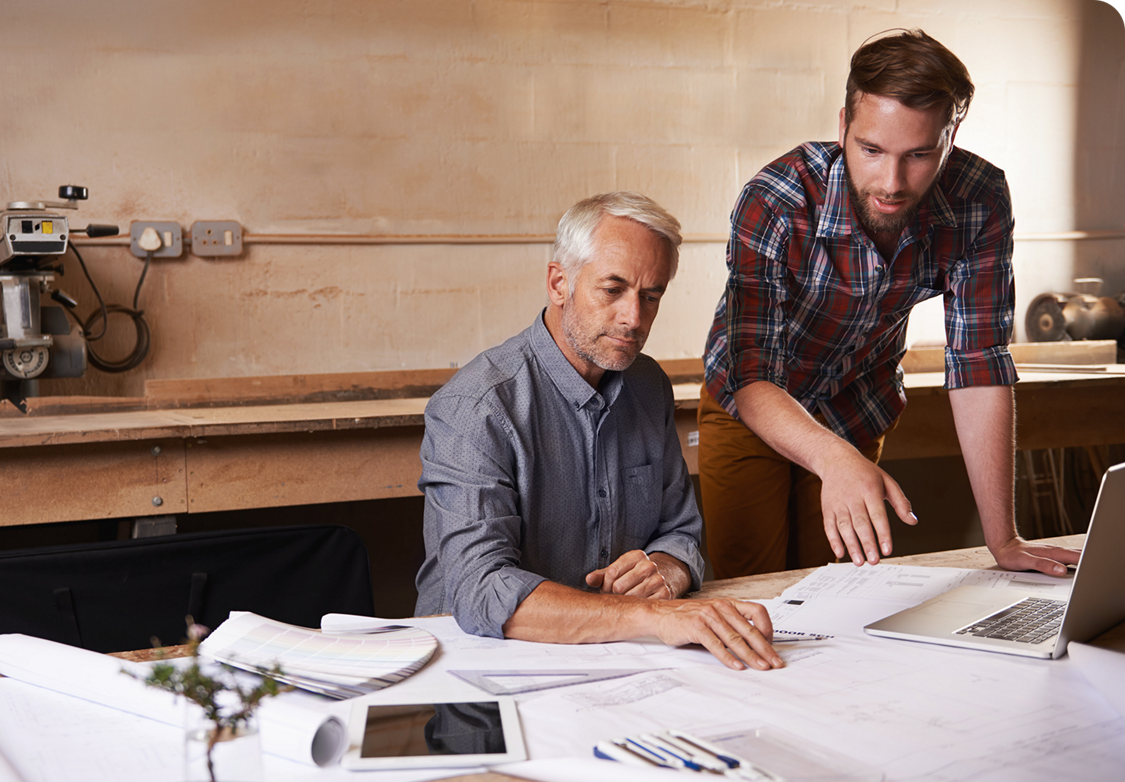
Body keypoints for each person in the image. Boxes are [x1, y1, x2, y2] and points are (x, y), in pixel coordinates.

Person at [699, 29, 1081, 579]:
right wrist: (831, 458)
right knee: (755, 588)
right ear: (843, 128)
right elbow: (752, 372)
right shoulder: (777, 200)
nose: (891, 182)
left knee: (833, 589)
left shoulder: (980, 199)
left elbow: (978, 364)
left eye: (919, 155)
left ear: (950, 138)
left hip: (857, 405)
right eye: (871, 150)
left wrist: (1006, 540)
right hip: (752, 403)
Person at [415, 191, 784, 672]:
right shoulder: (476, 408)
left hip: (616, 661)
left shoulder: (649, 386)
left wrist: (665, 572)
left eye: (651, 297)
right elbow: (483, 589)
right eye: (613, 290)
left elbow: (680, 533)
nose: (634, 318)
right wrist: (651, 616)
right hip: (480, 669)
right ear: (559, 283)